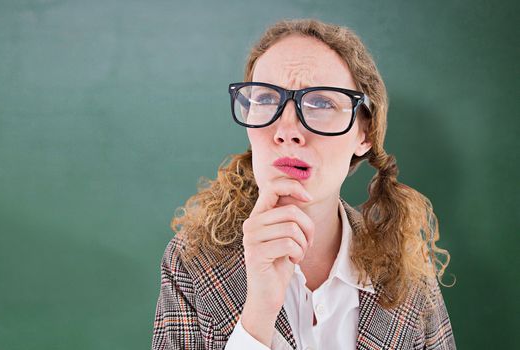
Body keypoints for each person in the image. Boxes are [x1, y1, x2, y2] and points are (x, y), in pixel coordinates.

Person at [152, 19, 456, 350]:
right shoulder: (193, 261)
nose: (286, 130)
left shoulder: (407, 275)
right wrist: (258, 314)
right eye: (266, 99)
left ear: (365, 134)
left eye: (322, 103)